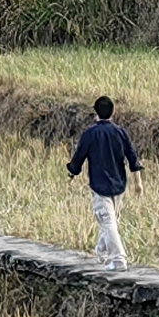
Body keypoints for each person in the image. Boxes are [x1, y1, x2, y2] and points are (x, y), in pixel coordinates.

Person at [67, 93, 139, 264]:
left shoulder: (90, 134)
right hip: (119, 183)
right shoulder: (120, 132)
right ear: (113, 113)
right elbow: (132, 157)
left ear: (96, 113)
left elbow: (79, 158)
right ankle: (101, 253)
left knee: (107, 221)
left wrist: (72, 171)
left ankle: (119, 258)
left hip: (100, 185)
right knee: (110, 220)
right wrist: (138, 182)